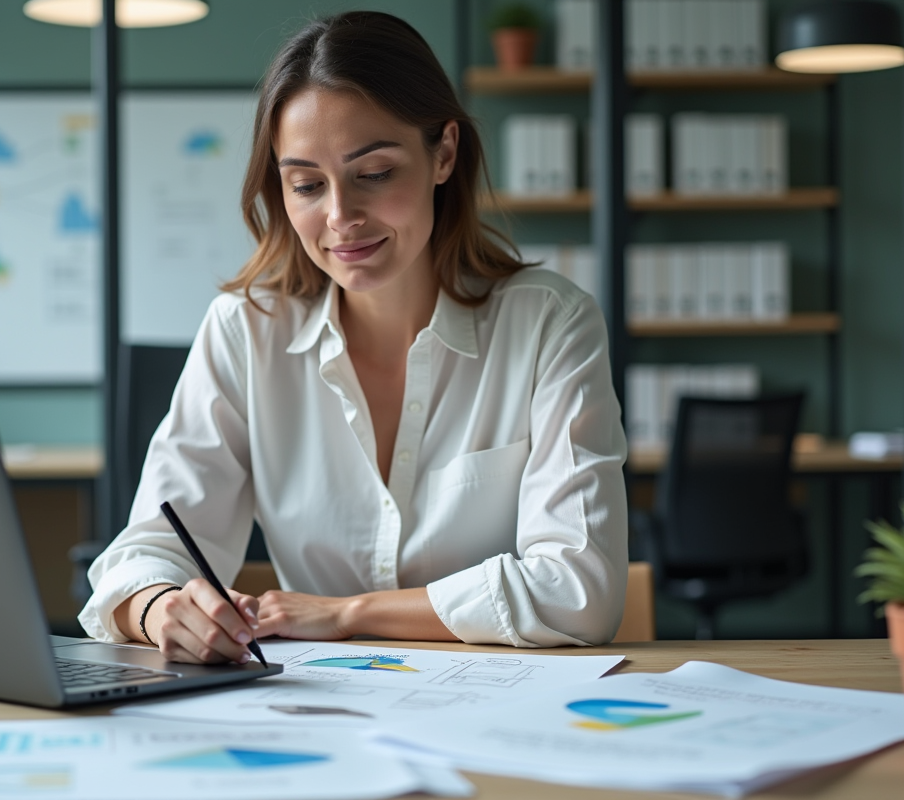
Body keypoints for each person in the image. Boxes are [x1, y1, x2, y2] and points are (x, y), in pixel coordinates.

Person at [79, 10, 628, 664]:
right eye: (308, 184)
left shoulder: (549, 324)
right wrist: (159, 608)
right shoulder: (245, 330)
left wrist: (345, 615)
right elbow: (139, 556)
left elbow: (581, 590)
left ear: (444, 153)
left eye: (374, 173)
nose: (340, 217)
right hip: (317, 717)